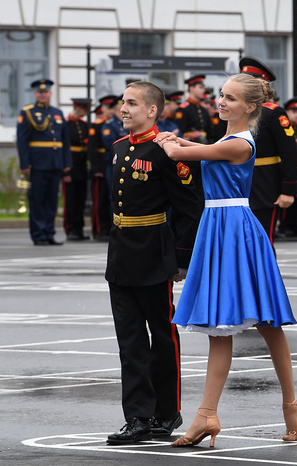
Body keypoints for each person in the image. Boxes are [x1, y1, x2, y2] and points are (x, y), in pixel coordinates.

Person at [154, 73, 297, 447]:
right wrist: (179, 139)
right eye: (221, 95)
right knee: (220, 327)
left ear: (250, 107)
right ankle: (206, 414)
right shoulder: (226, 139)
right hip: (219, 226)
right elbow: (201, 149)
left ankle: (291, 404)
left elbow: (187, 155)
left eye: (230, 98)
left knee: (268, 324)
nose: (221, 102)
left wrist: (171, 143)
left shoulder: (241, 143)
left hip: (235, 229)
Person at [105, 81, 202, 445]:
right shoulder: (116, 148)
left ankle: (167, 411)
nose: (123, 108)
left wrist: (181, 257)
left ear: (152, 111)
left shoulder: (168, 151)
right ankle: (137, 417)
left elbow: (189, 205)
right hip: (121, 254)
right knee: (129, 341)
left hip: (154, 253)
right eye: (122, 102)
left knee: (162, 336)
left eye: (132, 103)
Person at [240, 57, 297, 244]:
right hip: (237, 182)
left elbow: (289, 151)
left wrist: (288, 189)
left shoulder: (273, 113)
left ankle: (265, 274)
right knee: (240, 240)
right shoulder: (232, 112)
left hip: (264, 183)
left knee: (262, 240)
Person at [16, 79, 72, 246]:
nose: (43, 94)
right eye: (40, 92)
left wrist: (66, 162)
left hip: (55, 164)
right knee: (37, 200)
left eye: (46, 91)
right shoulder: (27, 112)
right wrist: (25, 164)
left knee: (51, 201)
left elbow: (65, 141)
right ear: (35, 94)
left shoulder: (57, 112)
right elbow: (22, 140)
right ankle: (39, 234)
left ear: (50, 93)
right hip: (37, 164)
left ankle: (49, 233)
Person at [63, 97, 92, 241]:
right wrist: (65, 170)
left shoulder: (84, 125)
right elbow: (63, 149)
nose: (85, 112)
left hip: (81, 166)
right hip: (70, 165)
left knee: (80, 199)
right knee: (70, 200)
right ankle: (70, 229)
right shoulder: (65, 124)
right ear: (77, 108)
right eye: (84, 109)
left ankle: (79, 229)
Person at [279, 97, 297, 236]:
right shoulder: (284, 127)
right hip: (287, 168)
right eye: (294, 111)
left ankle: (295, 224)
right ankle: (285, 225)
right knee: (287, 196)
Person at [87, 99, 113, 241]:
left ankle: (107, 229)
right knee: (99, 201)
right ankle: (98, 230)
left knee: (108, 200)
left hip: (108, 164)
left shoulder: (113, 124)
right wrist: (96, 167)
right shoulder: (96, 126)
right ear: (102, 108)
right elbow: (92, 148)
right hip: (100, 166)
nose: (110, 110)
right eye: (107, 107)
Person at [174, 75, 213, 144]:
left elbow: (209, 131)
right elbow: (180, 130)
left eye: (203, 88)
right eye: (200, 87)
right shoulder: (183, 109)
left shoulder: (203, 110)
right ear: (191, 88)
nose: (203, 90)